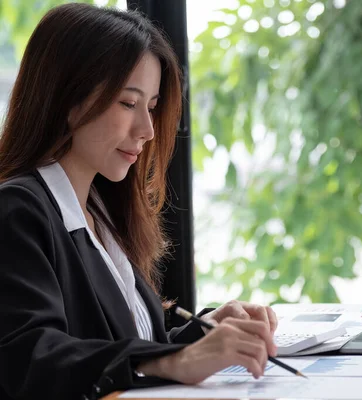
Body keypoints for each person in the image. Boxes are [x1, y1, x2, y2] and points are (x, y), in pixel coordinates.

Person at [0, 4, 278, 399]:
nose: (147, 129)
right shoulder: (18, 210)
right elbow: (29, 358)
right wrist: (174, 361)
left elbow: (119, 340)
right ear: (67, 99)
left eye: (150, 107)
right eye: (128, 104)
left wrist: (204, 332)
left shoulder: (99, 209)